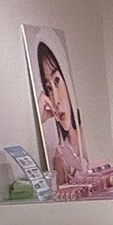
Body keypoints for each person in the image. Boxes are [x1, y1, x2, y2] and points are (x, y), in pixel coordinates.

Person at [36, 41, 87, 185]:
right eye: (49, 88)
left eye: (57, 81)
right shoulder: (60, 156)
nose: (56, 100)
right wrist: (39, 119)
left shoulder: (84, 135)